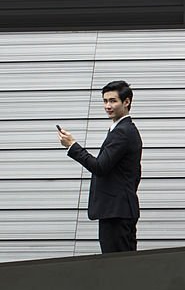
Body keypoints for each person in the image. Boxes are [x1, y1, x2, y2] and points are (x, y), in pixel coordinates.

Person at [58, 80, 143, 253]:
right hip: (118, 210)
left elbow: (100, 167)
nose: (108, 106)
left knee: (118, 268)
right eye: (105, 101)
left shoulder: (122, 132)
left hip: (117, 212)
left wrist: (72, 146)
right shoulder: (121, 130)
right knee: (121, 267)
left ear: (126, 102)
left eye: (113, 101)